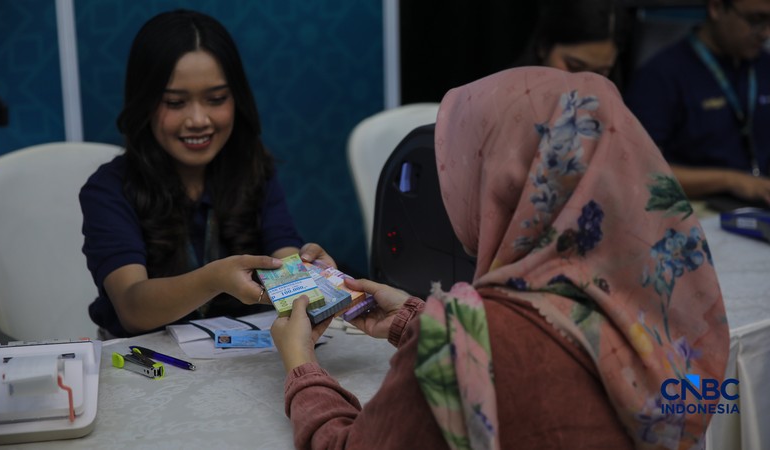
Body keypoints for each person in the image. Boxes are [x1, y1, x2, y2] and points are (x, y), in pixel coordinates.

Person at [271, 67, 730, 449]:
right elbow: (546, 356)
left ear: (502, 180)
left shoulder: (464, 341)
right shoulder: (664, 306)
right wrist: (415, 322)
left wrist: (301, 366)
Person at [79, 9, 334, 339]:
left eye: (216, 99)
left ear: (237, 98)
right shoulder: (109, 189)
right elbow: (132, 308)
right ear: (144, 103)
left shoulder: (254, 169)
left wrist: (308, 271)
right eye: (175, 102)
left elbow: (282, 253)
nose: (198, 119)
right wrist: (214, 279)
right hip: (145, 367)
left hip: (243, 362)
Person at [625, 0, 770, 206]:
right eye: (756, 20)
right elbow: (641, 171)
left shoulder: (762, 67)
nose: (765, 33)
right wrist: (730, 180)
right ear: (717, 8)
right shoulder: (662, 75)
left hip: (758, 201)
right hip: (697, 207)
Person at [513, 0, 621, 79]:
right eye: (574, 67)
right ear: (544, 47)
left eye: (600, 73)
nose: (584, 82)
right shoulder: (503, 101)